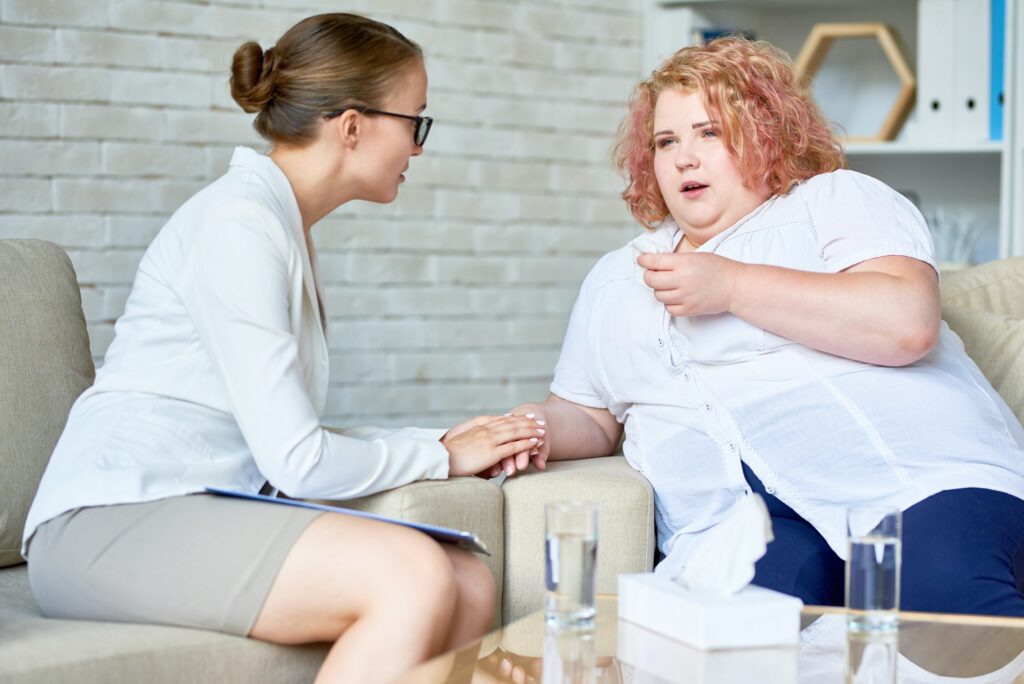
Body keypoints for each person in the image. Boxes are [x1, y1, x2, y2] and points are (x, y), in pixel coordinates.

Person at [22, 13, 545, 683]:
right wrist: (440, 456)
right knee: (410, 573)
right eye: (416, 121)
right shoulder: (239, 225)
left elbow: (283, 438)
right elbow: (298, 462)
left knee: (467, 580)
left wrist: (445, 439)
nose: (418, 146)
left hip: (194, 504)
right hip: (108, 520)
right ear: (352, 126)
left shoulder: (275, 221)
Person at [498, 38, 1024, 615]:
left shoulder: (834, 199)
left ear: (768, 135)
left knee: (946, 612)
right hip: (742, 524)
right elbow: (590, 415)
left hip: (913, 485)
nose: (683, 158)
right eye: (666, 141)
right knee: (735, 634)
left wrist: (731, 286)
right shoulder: (614, 279)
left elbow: (906, 323)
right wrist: (528, 428)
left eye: (710, 133)